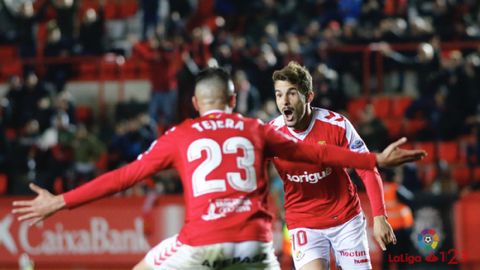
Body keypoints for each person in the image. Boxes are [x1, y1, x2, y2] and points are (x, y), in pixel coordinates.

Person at [12, 67, 425, 270]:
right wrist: (376, 159)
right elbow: (318, 156)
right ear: (234, 99)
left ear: (195, 104)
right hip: (257, 244)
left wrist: (61, 201)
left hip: (202, 241)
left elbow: (124, 177)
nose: (284, 101)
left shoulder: (181, 135)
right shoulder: (258, 131)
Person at [270, 61, 406, 270]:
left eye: (292, 93)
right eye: (279, 95)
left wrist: (379, 216)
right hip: (304, 222)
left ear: (309, 97)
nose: (284, 102)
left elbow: (366, 168)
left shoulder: (337, 125)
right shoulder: (271, 134)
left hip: (345, 219)